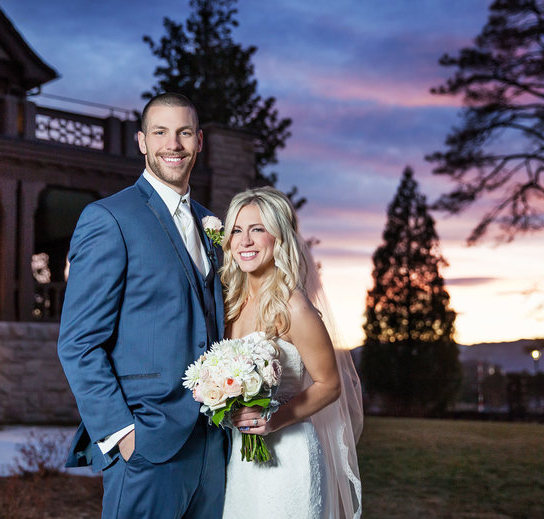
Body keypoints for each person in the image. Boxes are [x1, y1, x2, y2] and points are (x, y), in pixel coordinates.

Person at [57, 93, 227, 518]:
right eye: (161, 133)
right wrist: (123, 434)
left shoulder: (213, 224)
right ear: (142, 142)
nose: (174, 144)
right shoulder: (108, 219)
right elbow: (78, 343)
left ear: (199, 141)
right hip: (148, 445)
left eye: (184, 132)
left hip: (214, 444)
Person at [220, 187, 363, 519]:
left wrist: (274, 420)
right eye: (238, 231)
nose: (245, 241)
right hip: (240, 460)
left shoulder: (294, 307)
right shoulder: (231, 305)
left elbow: (330, 384)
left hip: (288, 456)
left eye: (258, 229)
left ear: (279, 237)